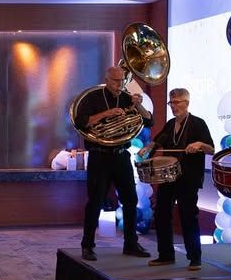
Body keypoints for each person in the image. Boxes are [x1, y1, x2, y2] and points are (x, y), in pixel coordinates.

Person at [75, 66, 153, 260]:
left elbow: (149, 121)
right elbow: (81, 121)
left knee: (130, 200)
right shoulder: (92, 97)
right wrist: (106, 114)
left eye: (122, 81)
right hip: (99, 156)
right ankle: (87, 245)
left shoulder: (127, 98)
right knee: (95, 201)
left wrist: (139, 105)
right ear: (107, 79)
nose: (120, 85)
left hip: (120, 155)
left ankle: (131, 244)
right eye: (116, 81)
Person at [138, 88, 214, 269]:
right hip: (168, 177)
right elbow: (159, 140)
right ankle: (165, 255)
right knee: (162, 213)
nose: (173, 106)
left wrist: (199, 144)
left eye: (177, 102)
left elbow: (210, 148)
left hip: (188, 177)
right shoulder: (171, 124)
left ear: (187, 103)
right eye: (171, 103)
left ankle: (195, 258)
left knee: (188, 215)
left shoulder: (198, 123)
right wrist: (148, 147)